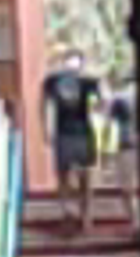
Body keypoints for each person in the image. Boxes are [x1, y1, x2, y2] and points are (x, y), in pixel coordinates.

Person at [42, 55, 103, 224]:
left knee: (86, 175)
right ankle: (67, 209)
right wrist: (46, 128)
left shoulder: (88, 81)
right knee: (63, 174)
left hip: (83, 131)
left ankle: (86, 213)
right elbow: (45, 104)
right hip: (63, 132)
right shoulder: (53, 80)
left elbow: (103, 101)